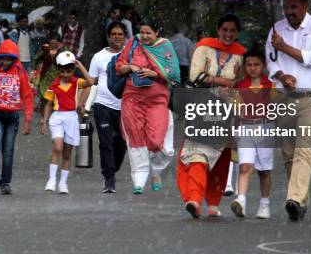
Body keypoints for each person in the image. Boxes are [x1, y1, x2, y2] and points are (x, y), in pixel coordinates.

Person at [265, 0, 311, 221]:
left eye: (294, 7)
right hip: (284, 98)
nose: (289, 11)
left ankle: (293, 197)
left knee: (304, 149)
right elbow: (270, 62)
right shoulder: (276, 30)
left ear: (305, 5)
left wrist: (284, 47)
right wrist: (282, 76)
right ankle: (300, 201)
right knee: (289, 154)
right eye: (286, 7)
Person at [177, 14, 246, 218]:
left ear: (237, 33)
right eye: (224, 29)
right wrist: (225, 82)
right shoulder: (204, 48)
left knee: (221, 158)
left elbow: (242, 83)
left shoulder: (241, 54)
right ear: (218, 30)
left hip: (227, 110)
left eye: (232, 30)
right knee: (198, 153)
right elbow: (195, 76)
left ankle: (214, 203)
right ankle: (195, 199)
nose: (228, 34)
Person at [116, 21, 180, 194]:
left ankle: (156, 172)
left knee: (156, 140)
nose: (144, 36)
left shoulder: (165, 46)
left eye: (148, 33)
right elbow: (119, 66)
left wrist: (155, 73)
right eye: (142, 32)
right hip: (132, 97)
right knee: (135, 136)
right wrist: (130, 67)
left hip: (157, 100)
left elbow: (174, 75)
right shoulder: (133, 43)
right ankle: (139, 178)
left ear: (157, 33)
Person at [0, 39, 34, 195]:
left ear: (14, 59)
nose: (5, 61)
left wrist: (27, 120)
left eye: (9, 59)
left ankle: (6, 182)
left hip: (12, 116)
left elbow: (28, 96)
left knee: (8, 151)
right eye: (2, 58)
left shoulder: (20, 72)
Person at [231, 48, 276, 219]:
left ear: (263, 66)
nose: (252, 68)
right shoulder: (241, 86)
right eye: (249, 64)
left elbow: (277, 107)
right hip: (245, 129)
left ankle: (265, 204)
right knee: (245, 166)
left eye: (256, 64)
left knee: (264, 170)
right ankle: (240, 200)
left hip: (265, 129)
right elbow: (237, 110)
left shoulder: (270, 85)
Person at [42, 51, 95, 194]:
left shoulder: (76, 82)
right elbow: (48, 104)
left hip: (71, 118)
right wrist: (45, 122)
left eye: (69, 71)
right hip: (57, 117)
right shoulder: (53, 86)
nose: (66, 74)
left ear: (73, 70)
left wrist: (80, 65)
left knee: (67, 153)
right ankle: (51, 180)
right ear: (58, 70)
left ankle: (63, 183)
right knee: (57, 147)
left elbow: (91, 82)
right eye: (63, 71)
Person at [87, 22, 127, 193]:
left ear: (124, 36)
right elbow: (91, 82)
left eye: (120, 34)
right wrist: (85, 106)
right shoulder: (98, 57)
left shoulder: (131, 55)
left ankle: (113, 167)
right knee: (106, 143)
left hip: (125, 107)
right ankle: (108, 178)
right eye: (114, 34)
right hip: (102, 105)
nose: (117, 36)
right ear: (108, 36)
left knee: (121, 144)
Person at [33, 34, 66, 108]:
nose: (53, 45)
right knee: (45, 96)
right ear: (49, 42)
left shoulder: (63, 51)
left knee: (56, 96)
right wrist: (35, 69)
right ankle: (44, 115)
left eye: (55, 43)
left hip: (58, 76)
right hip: (45, 76)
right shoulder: (45, 49)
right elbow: (36, 58)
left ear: (59, 43)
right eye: (52, 43)